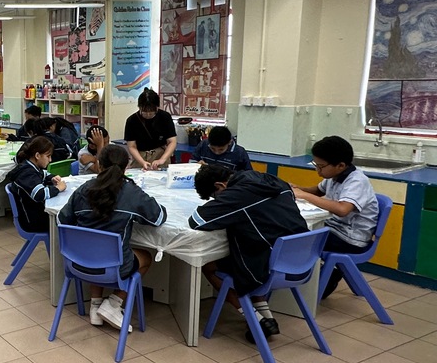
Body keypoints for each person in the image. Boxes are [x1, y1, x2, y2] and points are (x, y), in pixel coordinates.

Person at [189, 164, 308, 343]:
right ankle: (266, 315)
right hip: (301, 260)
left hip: (268, 267)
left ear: (220, 185)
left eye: (215, 196)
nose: (218, 200)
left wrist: (221, 205)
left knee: (208, 265)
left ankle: (255, 319)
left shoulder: (237, 195)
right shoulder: (272, 180)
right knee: (247, 250)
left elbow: (197, 220)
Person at [58, 144, 166, 329]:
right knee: (145, 257)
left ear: (99, 165)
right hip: (114, 268)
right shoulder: (130, 192)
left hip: (77, 263)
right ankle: (114, 303)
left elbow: (63, 219)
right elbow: (158, 217)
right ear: (126, 167)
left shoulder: (84, 189)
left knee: (95, 247)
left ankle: (95, 305)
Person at [291, 135, 379, 300]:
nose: (318, 171)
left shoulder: (357, 181)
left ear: (340, 165)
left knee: (299, 239)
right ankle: (312, 279)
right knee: (295, 230)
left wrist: (304, 195)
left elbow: (342, 209)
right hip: (335, 228)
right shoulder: (335, 176)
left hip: (350, 239)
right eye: (315, 165)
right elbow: (318, 191)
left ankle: (315, 283)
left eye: (321, 166)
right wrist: (297, 189)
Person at [4, 136, 67, 233]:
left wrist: (52, 178)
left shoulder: (31, 167)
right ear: (37, 155)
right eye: (48, 156)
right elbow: (39, 194)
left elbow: (43, 174)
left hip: (35, 214)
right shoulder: (27, 173)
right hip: (33, 221)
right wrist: (58, 188)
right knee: (68, 219)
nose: (50, 160)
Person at [124, 88, 177, 170]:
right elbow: (132, 146)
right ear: (139, 107)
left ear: (157, 107)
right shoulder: (132, 120)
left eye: (151, 111)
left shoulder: (165, 117)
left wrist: (162, 159)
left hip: (160, 155)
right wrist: (142, 162)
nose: (148, 114)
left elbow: (172, 141)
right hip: (140, 156)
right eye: (144, 111)